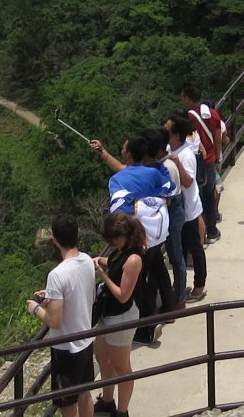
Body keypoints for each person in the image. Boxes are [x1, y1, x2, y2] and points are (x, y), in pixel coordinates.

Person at [88, 131, 175, 340]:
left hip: (136, 239)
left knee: (136, 283)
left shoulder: (118, 180)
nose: (122, 149)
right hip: (158, 234)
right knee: (153, 271)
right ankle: (163, 312)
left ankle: (145, 328)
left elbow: (120, 213)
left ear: (128, 154)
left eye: (124, 147)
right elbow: (170, 192)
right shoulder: (156, 172)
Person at [29, 212, 98, 417]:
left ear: (55, 240)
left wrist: (35, 308)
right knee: (85, 394)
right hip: (86, 340)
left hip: (66, 348)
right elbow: (89, 296)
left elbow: (54, 321)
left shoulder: (57, 275)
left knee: (67, 404)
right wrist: (53, 295)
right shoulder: (87, 260)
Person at [92, 211, 146, 417]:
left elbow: (123, 295)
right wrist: (100, 260)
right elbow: (115, 263)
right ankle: (107, 401)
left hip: (122, 316)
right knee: (103, 358)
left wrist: (103, 276)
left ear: (122, 236)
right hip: (108, 313)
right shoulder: (121, 251)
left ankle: (122, 411)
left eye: (113, 239)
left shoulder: (134, 258)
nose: (111, 243)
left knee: (121, 366)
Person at [160, 114, 207, 301]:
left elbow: (188, 182)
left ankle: (199, 286)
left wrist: (177, 163)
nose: (163, 131)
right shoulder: (169, 148)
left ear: (176, 134)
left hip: (188, 209)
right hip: (179, 210)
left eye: (167, 129)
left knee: (195, 248)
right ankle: (181, 285)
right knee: (182, 249)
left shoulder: (186, 154)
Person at [181, 83, 228, 243]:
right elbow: (218, 138)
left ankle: (199, 236)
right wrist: (218, 157)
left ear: (188, 98)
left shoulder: (187, 117)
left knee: (196, 198)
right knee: (209, 196)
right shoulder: (213, 114)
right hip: (210, 160)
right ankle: (212, 231)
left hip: (193, 162)